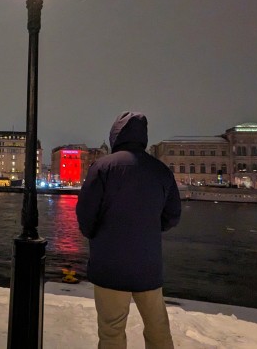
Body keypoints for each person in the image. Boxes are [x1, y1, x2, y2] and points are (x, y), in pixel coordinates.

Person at [76, 112, 182, 348]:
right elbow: (173, 215)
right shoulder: (161, 171)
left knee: (111, 331)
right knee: (158, 331)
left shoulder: (102, 167)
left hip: (109, 264)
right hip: (148, 265)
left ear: (115, 135)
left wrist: (96, 234)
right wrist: (149, 229)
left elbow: (85, 214)